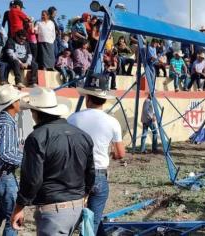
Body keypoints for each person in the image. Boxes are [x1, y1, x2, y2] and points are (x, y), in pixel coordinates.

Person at [11, 87, 95, 235]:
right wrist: (84, 194)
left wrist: (19, 208)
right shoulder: (82, 135)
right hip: (77, 207)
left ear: (35, 113)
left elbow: (32, 180)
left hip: (53, 211)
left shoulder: (37, 137)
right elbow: (90, 172)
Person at [68, 85, 125, 235]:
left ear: (87, 98)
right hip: (99, 173)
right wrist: (111, 154)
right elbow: (120, 154)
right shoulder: (112, 122)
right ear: (104, 100)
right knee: (92, 220)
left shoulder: (73, 119)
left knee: (88, 218)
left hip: (76, 174)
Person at [0, 85, 28, 236]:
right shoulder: (6, 123)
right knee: (14, 217)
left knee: (2, 210)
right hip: (3, 176)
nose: (20, 101)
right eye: (18, 99)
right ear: (13, 103)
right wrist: (26, 161)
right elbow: (5, 153)